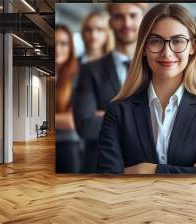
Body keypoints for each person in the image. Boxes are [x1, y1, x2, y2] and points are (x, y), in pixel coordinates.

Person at [97, 3, 196, 174]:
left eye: (178, 41)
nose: (167, 52)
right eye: (156, 41)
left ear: (193, 48)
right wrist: (193, 170)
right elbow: (107, 177)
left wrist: (148, 170)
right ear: (144, 48)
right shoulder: (117, 111)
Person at [73, 3, 148, 172]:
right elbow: (85, 126)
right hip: (100, 167)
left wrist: (108, 114)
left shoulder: (157, 67)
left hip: (146, 169)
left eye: (133, 16)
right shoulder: (90, 71)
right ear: (110, 22)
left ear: (143, 19)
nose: (127, 23)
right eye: (119, 17)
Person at [55, 25, 82, 173]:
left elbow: (71, 121)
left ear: (70, 47)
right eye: (55, 43)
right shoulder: (53, 77)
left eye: (63, 43)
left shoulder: (77, 76)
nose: (58, 48)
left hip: (69, 146)